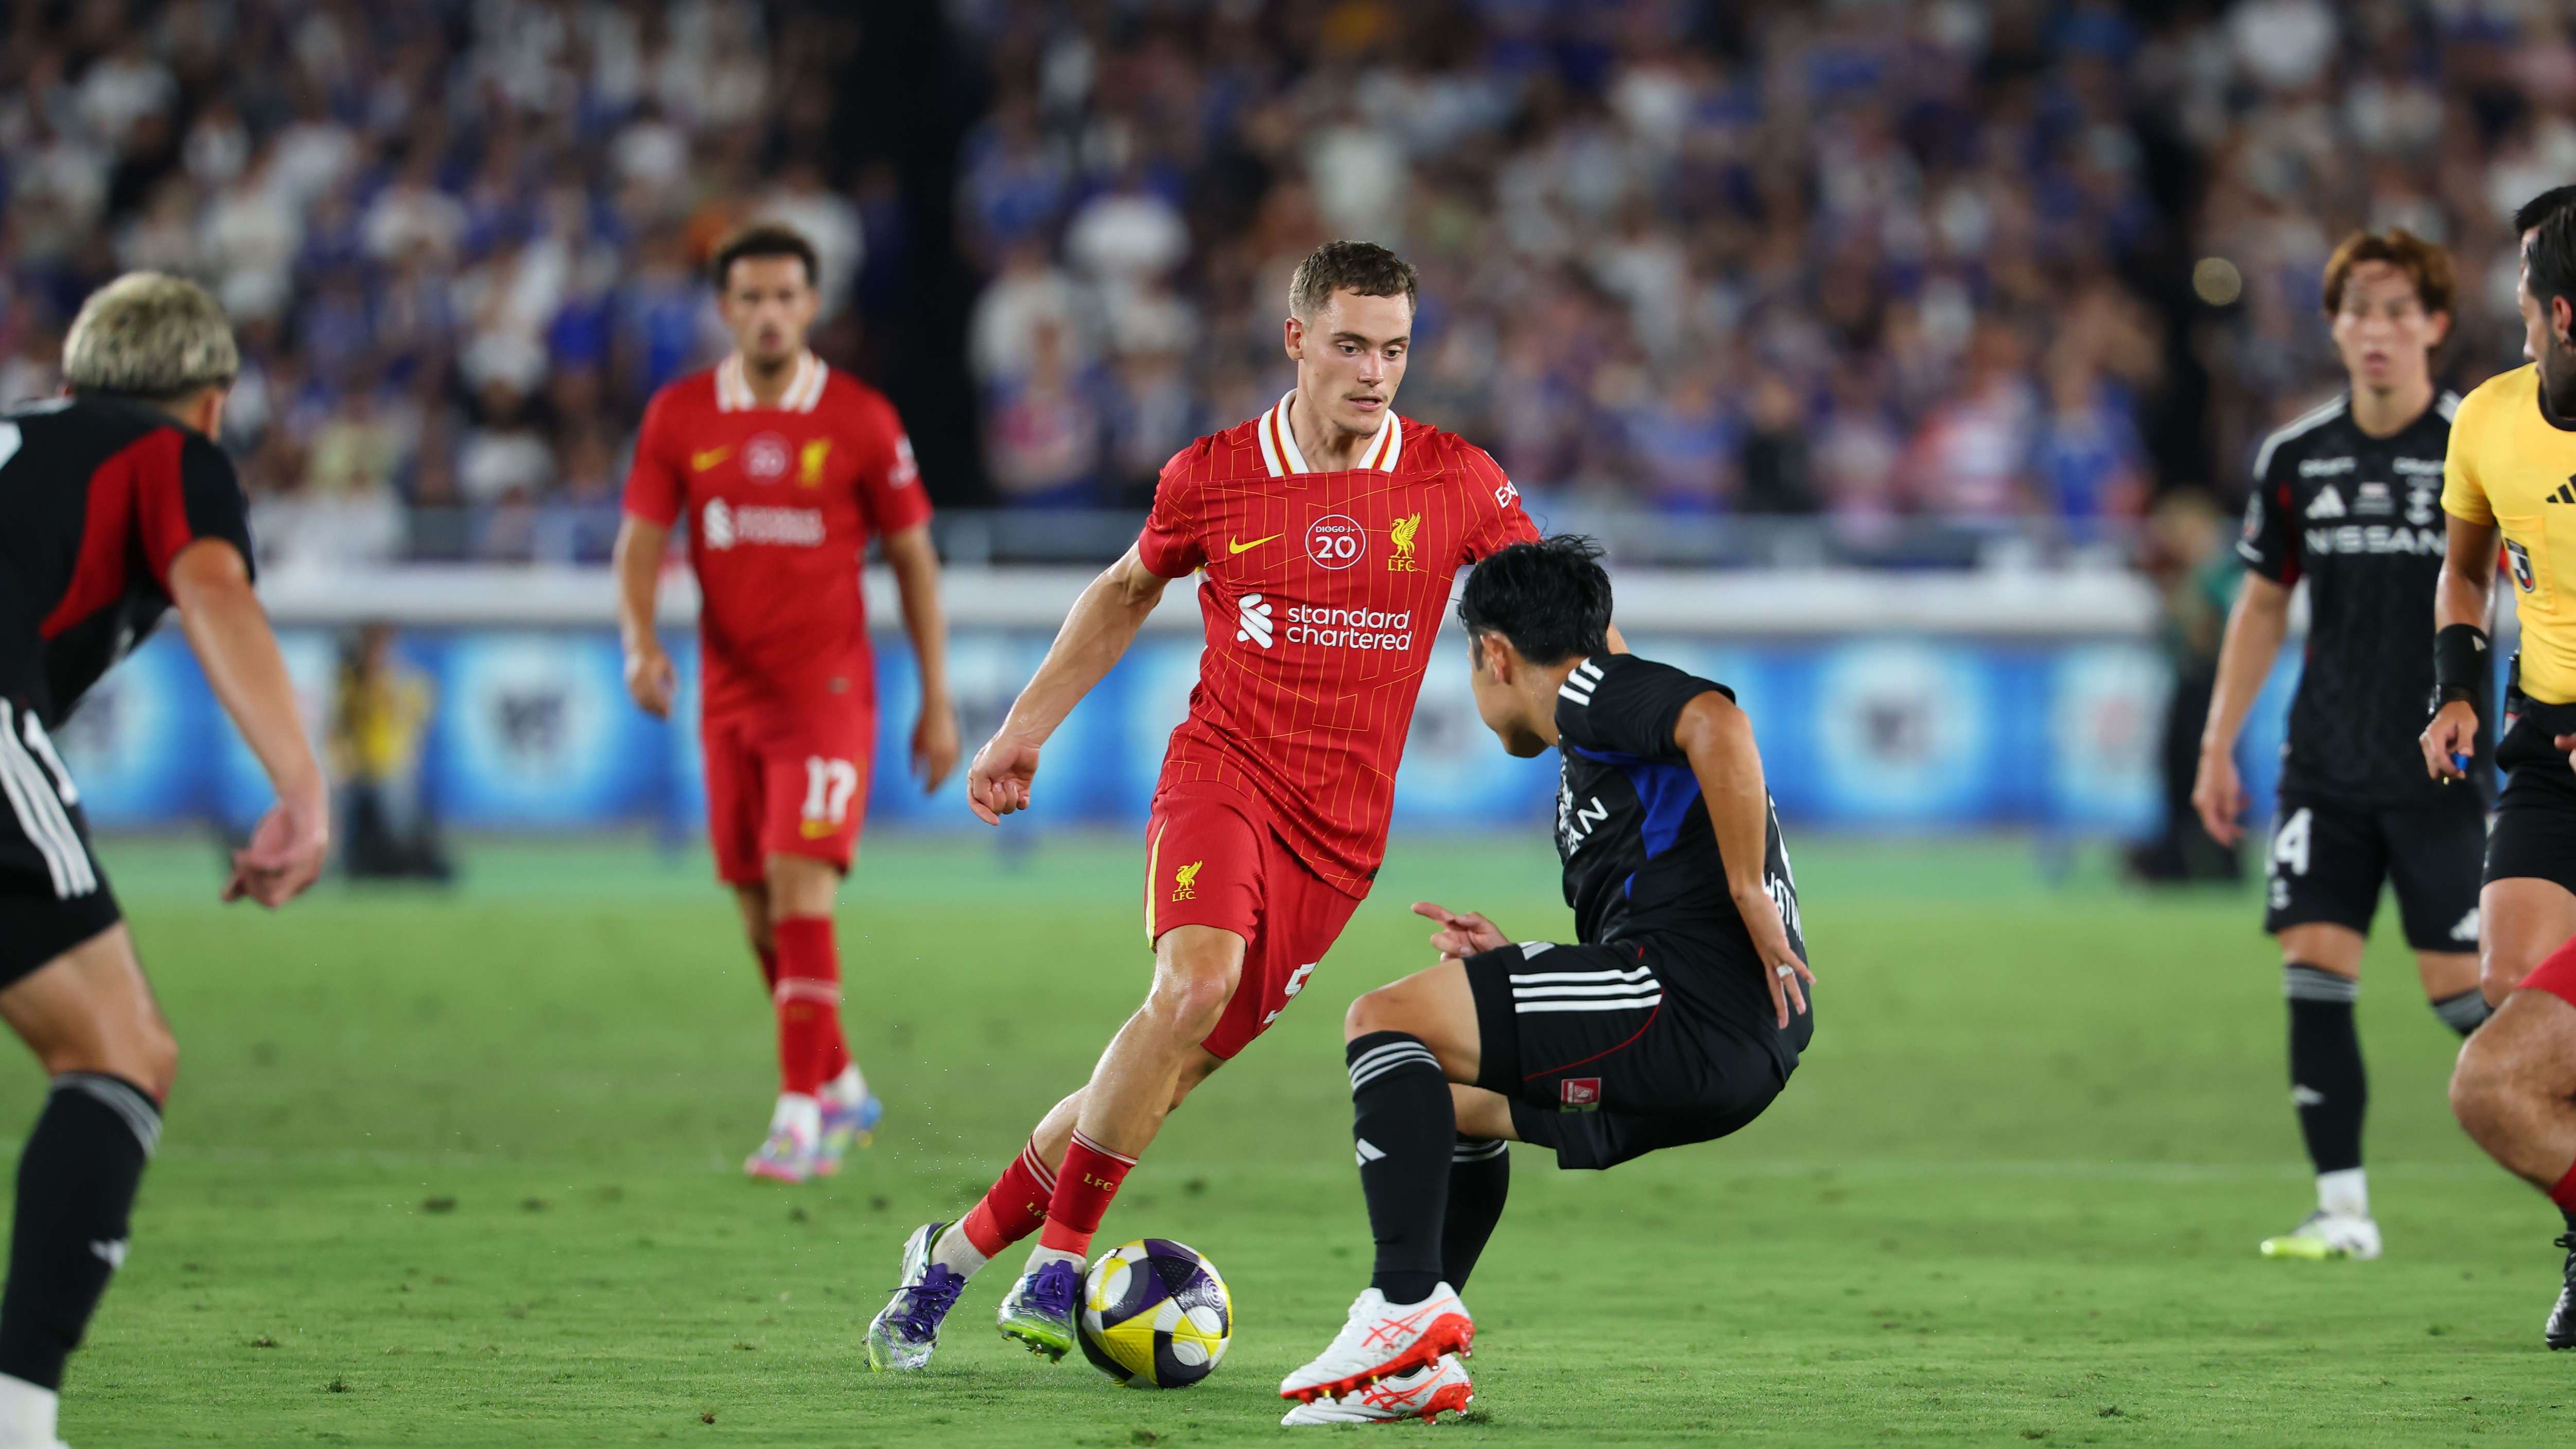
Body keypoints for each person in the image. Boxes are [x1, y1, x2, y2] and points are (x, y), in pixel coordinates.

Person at [864, 240, 1544, 1372]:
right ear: (1297, 341)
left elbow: (1554, 604)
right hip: (1222, 776)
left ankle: (947, 1257)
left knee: (1159, 1069)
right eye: (1350, 346)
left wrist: (1638, 715)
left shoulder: (1456, 481)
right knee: (1191, 983)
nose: (1374, 374)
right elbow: (1128, 587)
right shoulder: (1216, 475)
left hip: (1339, 844)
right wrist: (1022, 730)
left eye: (1395, 350)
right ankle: (1059, 1266)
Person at [1276, 535, 1813, 1424]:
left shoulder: (1590, 686)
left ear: (1494, 653)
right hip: (1709, 1041)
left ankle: (1401, 1311)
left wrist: (1749, 890)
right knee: (1440, 1100)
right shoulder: (1597, 739)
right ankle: (1415, 1373)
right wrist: (1516, 959)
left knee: (1383, 1020)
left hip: (1693, 1011)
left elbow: (1717, 721)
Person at [0, 273, 328, 1449]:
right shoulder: (162, 453)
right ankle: (17, 1421)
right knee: (117, 1049)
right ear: (210, 404)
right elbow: (217, 589)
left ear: (74, 379)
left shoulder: (34, 441)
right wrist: (301, 784)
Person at [614, 223, 959, 1184]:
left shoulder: (860, 419)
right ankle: (842, 1080)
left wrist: (936, 697)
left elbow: (914, 562)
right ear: (725, 310)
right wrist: (640, 644)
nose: (768, 314)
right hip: (728, 697)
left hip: (829, 696)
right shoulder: (680, 415)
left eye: (785, 297)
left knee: (802, 892)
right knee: (758, 912)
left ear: (811, 307)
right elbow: (640, 541)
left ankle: (801, 1119)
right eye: (750, 298)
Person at [2190, 230, 2480, 1262]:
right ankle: (2344, 1210)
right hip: (2322, 764)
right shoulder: (2295, 458)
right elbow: (2263, 605)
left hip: (2444, 768)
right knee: (2314, 969)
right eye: (2358, 309)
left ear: (2436, 325)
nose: (2377, 331)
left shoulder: (2473, 446)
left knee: (2467, 1000)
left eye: (2400, 309)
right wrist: (2220, 743)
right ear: (2334, 326)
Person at [2429, 185, 2576, 1349]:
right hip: (2545, 742)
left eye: (2526, 291)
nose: (2514, 308)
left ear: (2559, 310)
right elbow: (2467, 568)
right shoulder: (2487, 417)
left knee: (2517, 1062)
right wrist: (2454, 688)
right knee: (2509, 990)